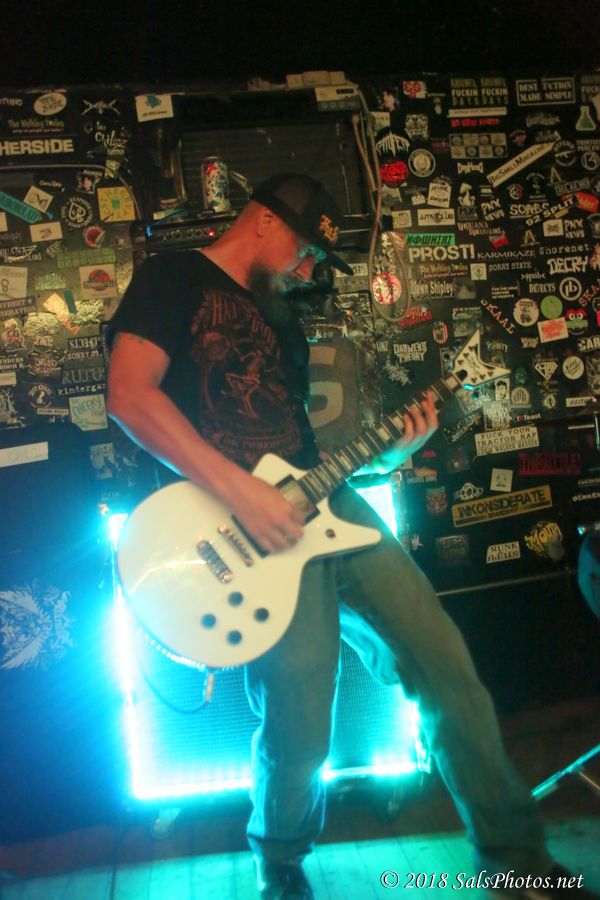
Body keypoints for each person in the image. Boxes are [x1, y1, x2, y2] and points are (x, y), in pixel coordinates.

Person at [107, 173, 595, 900]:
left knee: (446, 664)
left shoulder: (280, 316)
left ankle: (513, 855)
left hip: (326, 504)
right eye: (308, 250)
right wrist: (244, 493)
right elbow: (128, 396)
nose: (310, 269)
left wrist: (390, 456)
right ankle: (281, 859)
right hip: (234, 522)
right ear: (265, 220)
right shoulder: (171, 278)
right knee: (301, 707)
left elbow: (295, 445)